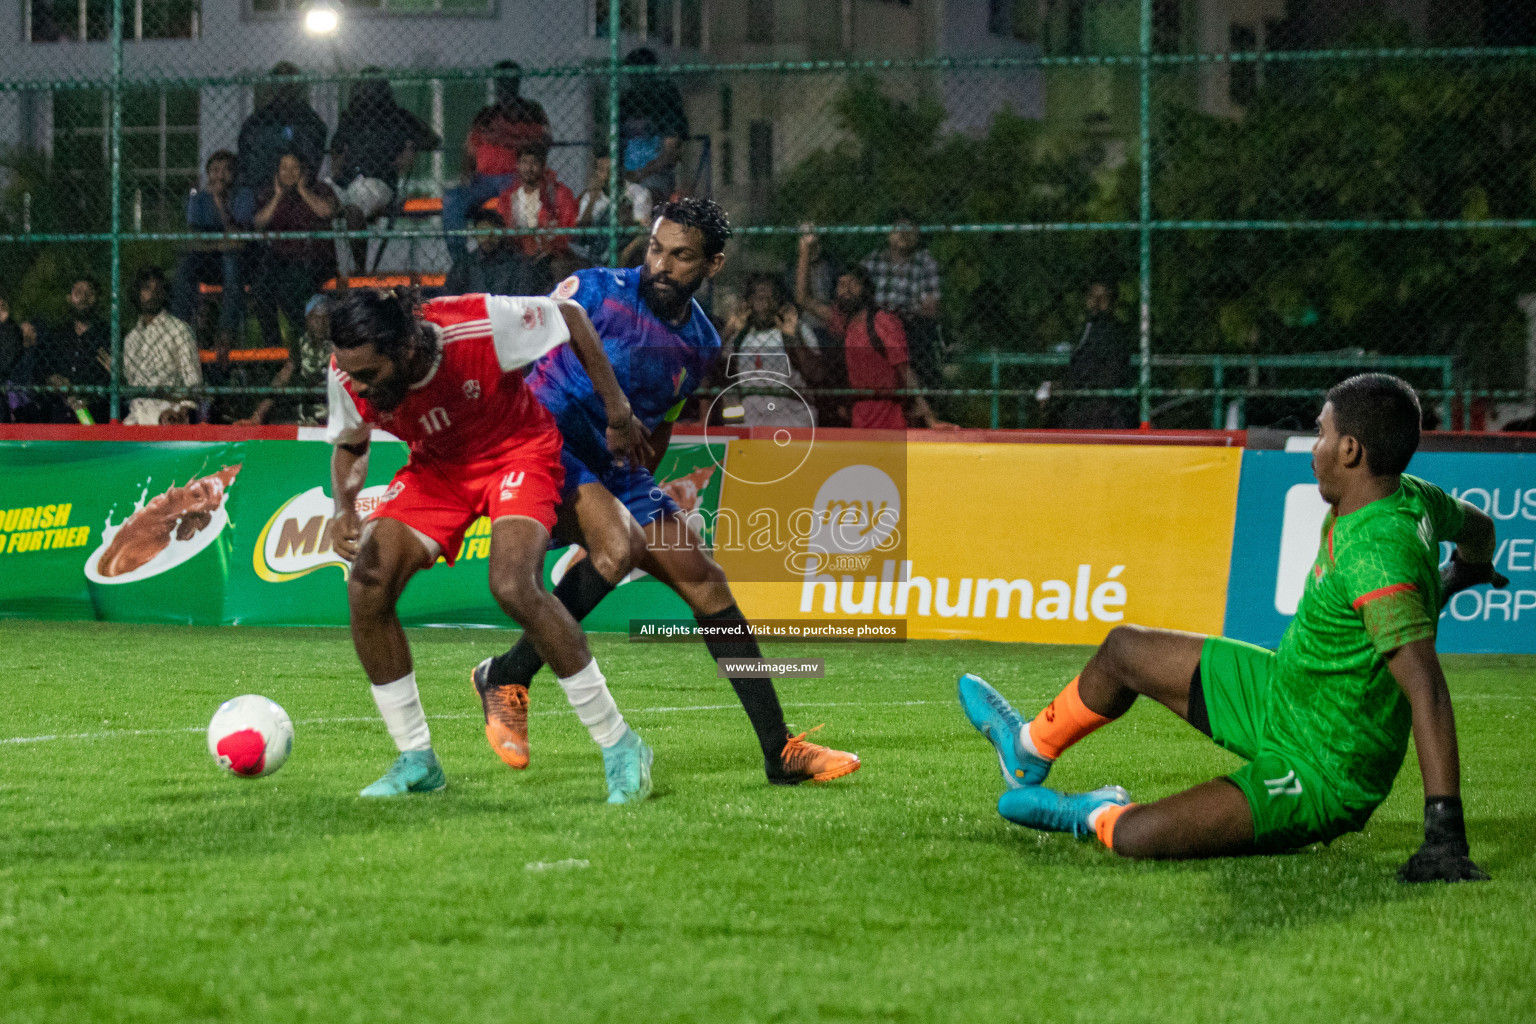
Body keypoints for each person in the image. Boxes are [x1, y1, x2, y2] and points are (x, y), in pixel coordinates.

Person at [958, 374, 1506, 882]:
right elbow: (1480, 528)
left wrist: (1444, 838)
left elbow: (1426, 689)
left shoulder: (1377, 552)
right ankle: (1028, 750)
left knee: (1137, 836)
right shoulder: (1410, 496)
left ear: (1350, 451)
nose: (1313, 446)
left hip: (1321, 772)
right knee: (1123, 649)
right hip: (1280, 693)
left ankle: (1094, 812)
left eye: (1320, 432)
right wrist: (1460, 574)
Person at [473, 198, 861, 786]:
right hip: (546, 446)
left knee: (706, 582)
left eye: (681, 256)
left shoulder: (701, 344)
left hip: (615, 469)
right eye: (657, 248)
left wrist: (640, 484)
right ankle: (508, 676)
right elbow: (508, 344)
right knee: (616, 548)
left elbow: (657, 425)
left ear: (713, 265)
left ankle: (780, 753)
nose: (661, 264)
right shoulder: (595, 290)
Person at [325, 287, 655, 803]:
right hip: (437, 471)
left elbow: (569, 315)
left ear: (407, 350)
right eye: (353, 375)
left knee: (511, 584)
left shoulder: (481, 323)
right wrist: (344, 507)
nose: (359, 388)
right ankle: (417, 760)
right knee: (366, 583)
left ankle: (621, 745)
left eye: (370, 375)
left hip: (516, 453)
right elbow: (351, 444)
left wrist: (618, 412)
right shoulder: (349, 370)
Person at [796, 230, 949, 430]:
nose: (847, 289)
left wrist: (928, 417)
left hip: (890, 413)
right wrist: (805, 251)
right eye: (842, 285)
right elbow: (803, 299)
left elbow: (905, 370)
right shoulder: (844, 321)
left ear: (865, 288)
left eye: (853, 283)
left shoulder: (882, 321)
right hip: (861, 414)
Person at [328, 73, 441, 272]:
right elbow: (336, 146)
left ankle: (359, 270)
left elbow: (432, 140)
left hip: (377, 181)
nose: (366, 95)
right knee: (318, 194)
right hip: (346, 181)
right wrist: (337, 169)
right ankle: (327, 269)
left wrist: (410, 147)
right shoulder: (351, 117)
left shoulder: (397, 116)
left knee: (356, 205)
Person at [442, 60, 551, 263]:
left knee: (514, 202)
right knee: (453, 198)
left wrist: (503, 137)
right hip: (482, 178)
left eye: (509, 81)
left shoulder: (530, 110)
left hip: (514, 176)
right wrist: (466, 172)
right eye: (501, 82)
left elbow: (543, 139)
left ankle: (515, 257)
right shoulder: (487, 114)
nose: (504, 86)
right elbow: (470, 146)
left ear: (517, 82)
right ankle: (460, 260)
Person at [251, 153, 339, 361]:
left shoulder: (320, 190)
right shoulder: (270, 193)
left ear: (304, 171)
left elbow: (326, 212)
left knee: (290, 288)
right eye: (284, 168)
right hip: (281, 260)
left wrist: (302, 190)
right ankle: (273, 349)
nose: (289, 173)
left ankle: (304, 346)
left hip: (314, 259)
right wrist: (278, 196)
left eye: (295, 168)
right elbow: (258, 223)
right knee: (261, 289)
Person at [172, 150, 255, 353]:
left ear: (235, 174)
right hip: (207, 260)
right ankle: (178, 330)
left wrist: (219, 202)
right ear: (208, 174)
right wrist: (220, 243)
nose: (220, 175)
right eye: (215, 170)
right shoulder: (198, 199)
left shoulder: (243, 196)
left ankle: (225, 333)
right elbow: (193, 241)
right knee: (186, 265)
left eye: (226, 170)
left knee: (230, 259)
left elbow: (238, 241)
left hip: (238, 263)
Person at [718, 273, 820, 428]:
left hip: (793, 421)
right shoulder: (742, 334)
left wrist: (792, 338)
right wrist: (729, 330)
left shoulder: (797, 329)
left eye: (769, 296)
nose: (763, 302)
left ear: (779, 301)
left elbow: (815, 373)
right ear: (749, 302)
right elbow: (711, 365)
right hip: (752, 422)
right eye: (757, 297)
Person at [861, 214, 942, 386]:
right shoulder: (872, 261)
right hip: (877, 326)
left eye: (909, 229)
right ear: (888, 233)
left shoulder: (925, 262)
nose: (904, 234)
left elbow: (930, 308)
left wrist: (902, 310)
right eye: (898, 228)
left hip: (909, 326)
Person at [236, 62, 329, 209]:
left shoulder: (307, 119)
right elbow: (246, 157)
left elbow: (314, 153)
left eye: (289, 83)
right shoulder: (258, 119)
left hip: (297, 184)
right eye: (280, 83)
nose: (284, 88)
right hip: (260, 183)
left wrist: (297, 179)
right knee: (244, 203)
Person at [22, 276, 111, 424]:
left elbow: (110, 381)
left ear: (97, 299)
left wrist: (87, 397)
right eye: (78, 293)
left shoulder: (108, 335)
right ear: (69, 298)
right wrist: (51, 380)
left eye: (89, 294)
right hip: (59, 410)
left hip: (95, 413)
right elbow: (40, 370)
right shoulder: (56, 335)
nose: (83, 298)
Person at [495, 142, 579, 295]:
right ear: (518, 165)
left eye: (534, 163)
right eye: (524, 162)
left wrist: (551, 247)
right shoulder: (508, 197)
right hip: (517, 254)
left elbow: (568, 228)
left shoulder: (559, 193)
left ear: (543, 166)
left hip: (549, 253)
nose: (529, 168)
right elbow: (502, 227)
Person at [122, 266, 201, 426]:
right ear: (137, 293)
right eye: (146, 289)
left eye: (158, 289)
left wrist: (181, 413)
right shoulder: (131, 338)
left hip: (168, 414)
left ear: (165, 293)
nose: (152, 294)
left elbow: (193, 382)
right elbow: (131, 385)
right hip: (136, 415)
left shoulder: (178, 330)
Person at [1055, 278, 1136, 429]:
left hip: (1103, 405)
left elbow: (1110, 373)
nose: (1097, 303)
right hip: (1083, 400)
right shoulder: (1085, 328)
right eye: (1093, 297)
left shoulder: (1114, 331)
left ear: (1112, 302)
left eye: (1103, 298)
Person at [618, 48, 689, 200]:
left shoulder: (665, 99)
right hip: (626, 175)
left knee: (645, 196)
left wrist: (640, 173)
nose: (635, 79)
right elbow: (614, 147)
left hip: (655, 176)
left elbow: (671, 153)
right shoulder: (626, 101)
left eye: (639, 73)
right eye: (631, 74)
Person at [573, 149, 652, 267]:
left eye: (612, 170)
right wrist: (592, 199)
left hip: (626, 246)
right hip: (598, 247)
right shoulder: (590, 196)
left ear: (621, 170)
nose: (608, 175)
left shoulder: (638, 192)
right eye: (602, 171)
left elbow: (640, 229)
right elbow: (581, 234)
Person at [444, 208, 542, 298]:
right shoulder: (464, 265)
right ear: (476, 234)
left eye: (493, 233)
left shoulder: (517, 263)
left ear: (500, 234)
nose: (487, 238)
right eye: (483, 232)